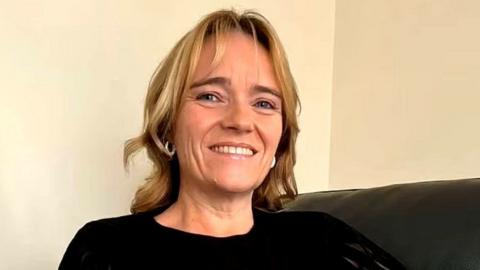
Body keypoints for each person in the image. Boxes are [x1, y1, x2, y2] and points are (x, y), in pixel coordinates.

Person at [59, 9, 405, 270]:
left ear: (279, 139)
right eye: (210, 96)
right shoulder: (105, 249)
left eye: (264, 103)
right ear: (167, 127)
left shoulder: (321, 239)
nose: (241, 121)